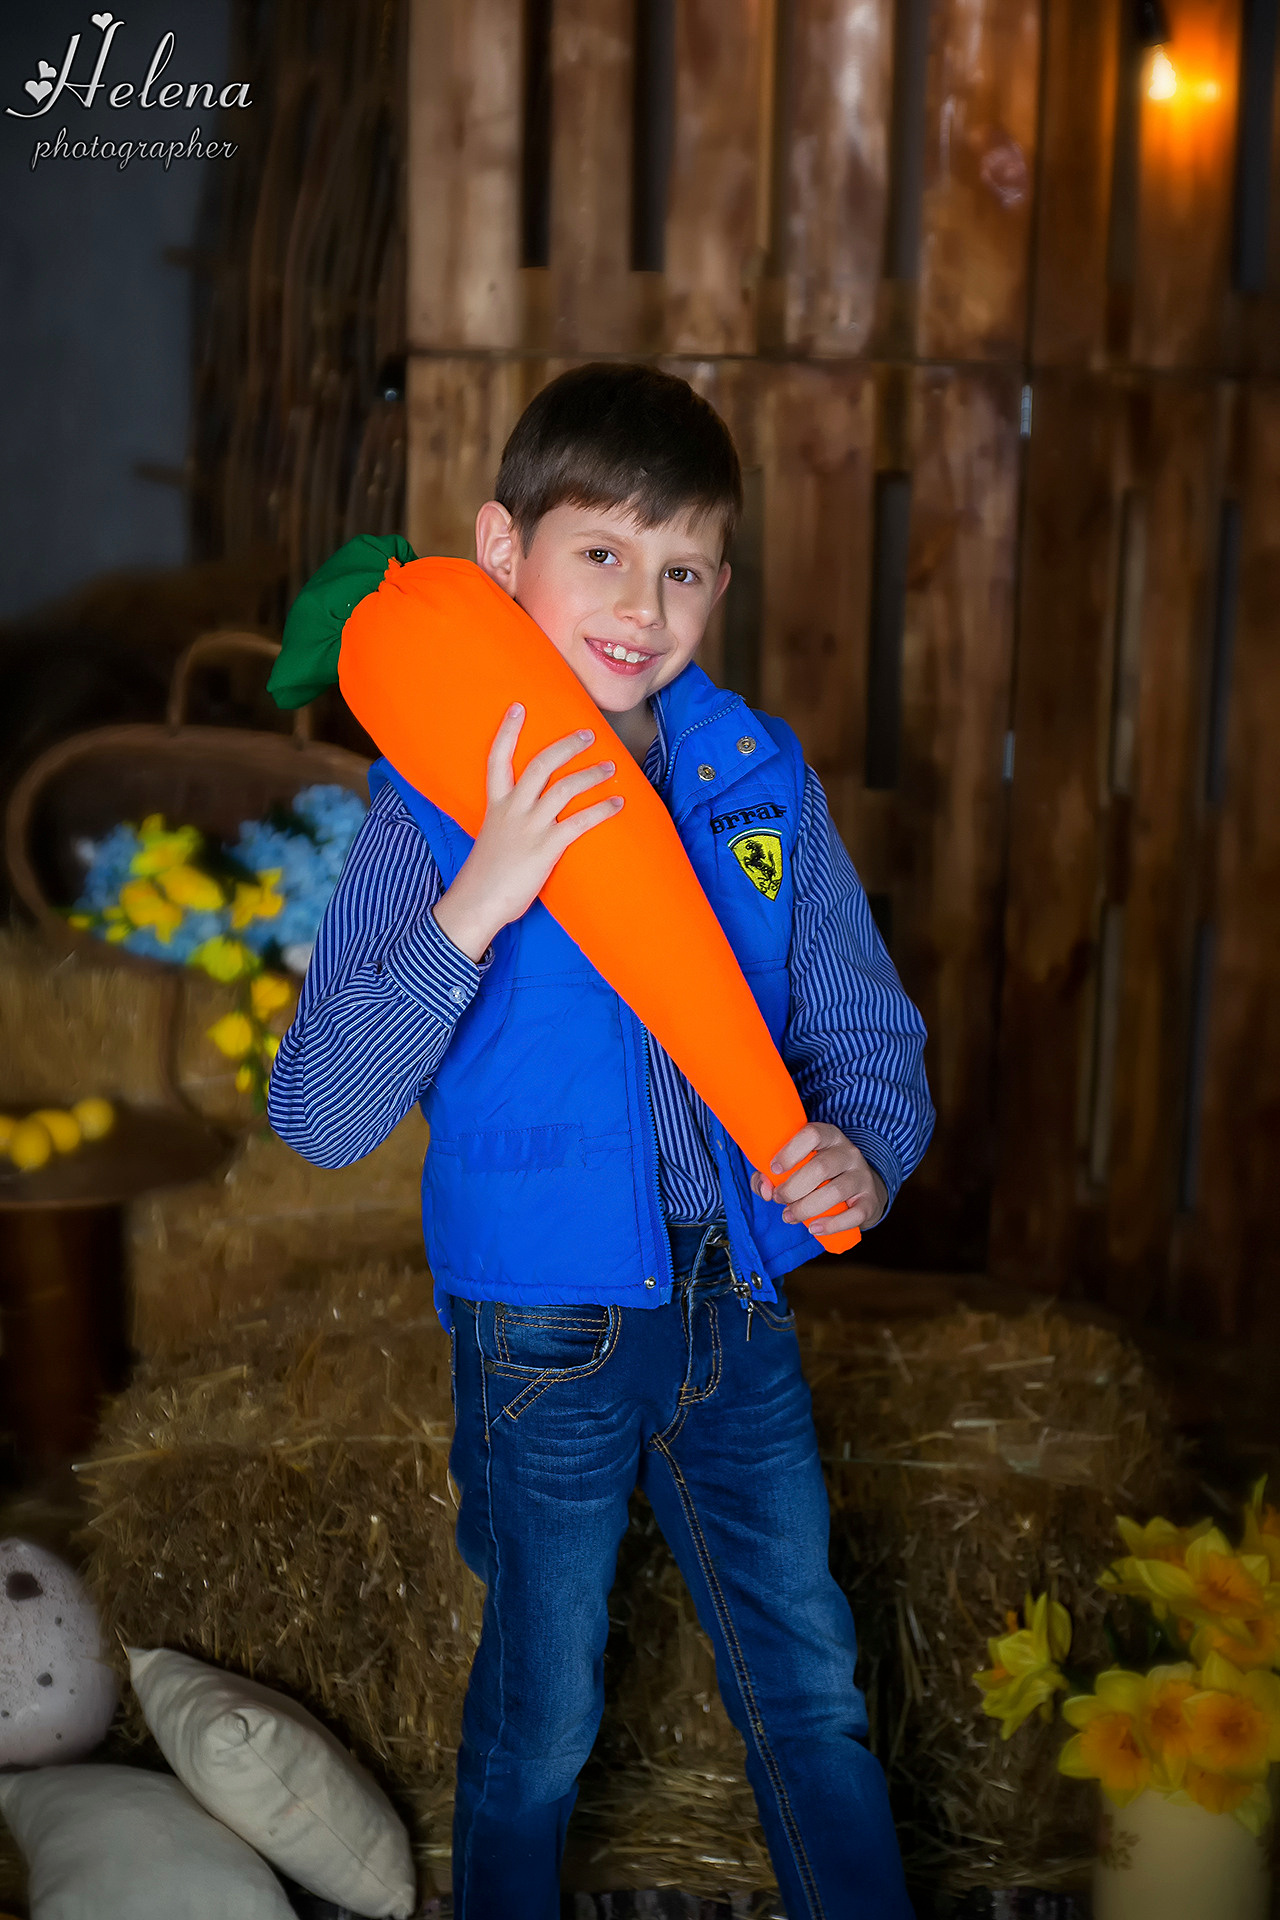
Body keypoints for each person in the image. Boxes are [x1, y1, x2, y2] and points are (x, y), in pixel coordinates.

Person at [268, 362, 934, 1919]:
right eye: (603, 553)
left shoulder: (758, 781)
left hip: (736, 1310)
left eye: (685, 566)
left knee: (811, 1690)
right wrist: (479, 896)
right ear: (503, 552)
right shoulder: (427, 811)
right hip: (541, 1337)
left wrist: (864, 1153)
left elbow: (867, 1038)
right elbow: (317, 1111)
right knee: (544, 1717)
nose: (644, 605)